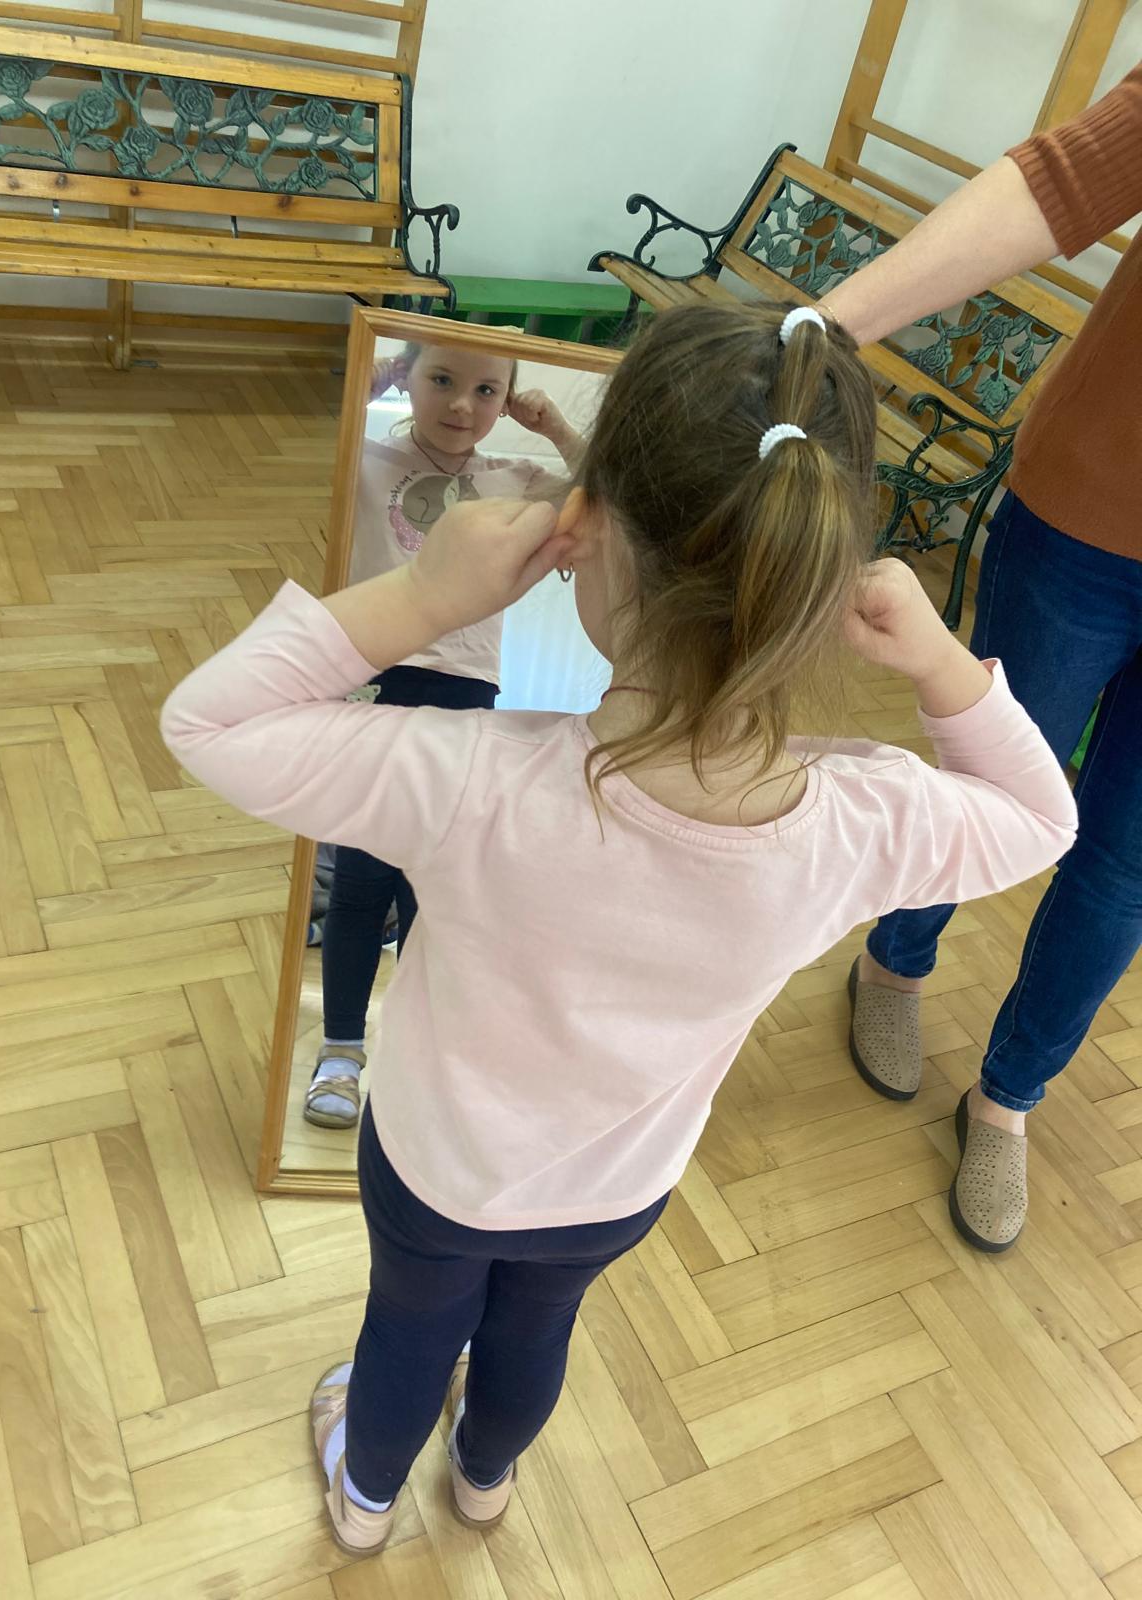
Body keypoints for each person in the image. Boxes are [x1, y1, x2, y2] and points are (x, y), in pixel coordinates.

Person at [161, 302, 1075, 1556]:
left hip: (437, 1167)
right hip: (619, 1185)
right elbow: (1041, 817)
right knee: (537, 1333)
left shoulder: (466, 777)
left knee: (408, 1331)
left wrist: (422, 596)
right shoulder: (861, 821)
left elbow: (207, 722)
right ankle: (485, 1482)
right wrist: (940, 664)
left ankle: (365, 1505)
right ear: (821, 575)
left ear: (584, 533)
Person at [821, 62, 1142, 1253]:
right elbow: (1066, 183)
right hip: (1089, 519)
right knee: (989, 767)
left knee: (1124, 867)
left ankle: (1008, 1098)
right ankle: (895, 963)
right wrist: (827, 328)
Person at [308, 340, 583, 1131]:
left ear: (509, 399)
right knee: (361, 880)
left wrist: (555, 426)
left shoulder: (515, 479)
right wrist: (366, 382)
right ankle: (341, 1051)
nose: (462, 405)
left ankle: (416, 1059)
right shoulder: (365, 459)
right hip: (373, 680)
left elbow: (611, 488)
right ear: (410, 378)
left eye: (486, 390)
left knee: (432, 890)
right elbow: (298, 446)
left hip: (465, 693)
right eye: (441, 380)